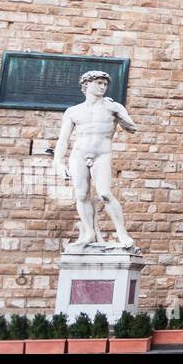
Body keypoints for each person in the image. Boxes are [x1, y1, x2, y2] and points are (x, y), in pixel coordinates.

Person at [54, 70, 138, 250]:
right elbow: (63, 139)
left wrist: (119, 112)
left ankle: (122, 233)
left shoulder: (112, 107)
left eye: (105, 84)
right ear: (87, 85)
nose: (103, 87)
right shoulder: (73, 111)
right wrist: (58, 162)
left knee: (105, 193)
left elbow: (132, 128)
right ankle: (89, 233)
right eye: (99, 83)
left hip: (102, 153)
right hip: (78, 154)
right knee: (82, 195)